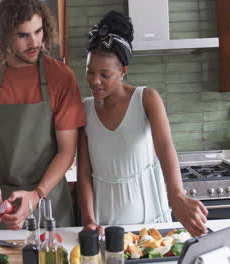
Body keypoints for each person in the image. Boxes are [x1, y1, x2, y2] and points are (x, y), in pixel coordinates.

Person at [77, 11, 208, 237]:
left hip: (152, 226)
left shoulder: (146, 99)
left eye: (104, 74)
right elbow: (84, 173)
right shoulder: (85, 108)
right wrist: (89, 220)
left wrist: (177, 195)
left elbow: (166, 147)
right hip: (105, 228)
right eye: (90, 72)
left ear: (122, 72)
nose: (94, 81)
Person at [0, 0, 85, 230]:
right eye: (23, 35)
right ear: (5, 35)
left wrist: (36, 195)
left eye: (38, 32)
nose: (34, 42)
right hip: (3, 207)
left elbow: (67, 151)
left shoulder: (61, 77)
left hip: (49, 204)